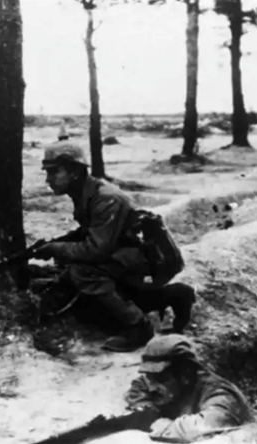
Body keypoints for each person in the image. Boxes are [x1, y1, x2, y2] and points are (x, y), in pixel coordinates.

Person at [31, 141, 194, 352]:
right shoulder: (85, 193)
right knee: (88, 292)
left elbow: (96, 249)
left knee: (83, 272)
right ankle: (174, 295)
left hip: (150, 259)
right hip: (127, 256)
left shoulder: (106, 198)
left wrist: (56, 249)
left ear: (74, 172)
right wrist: (56, 243)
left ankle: (138, 328)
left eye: (54, 172)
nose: (49, 179)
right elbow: (89, 232)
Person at [124, 334, 255, 442]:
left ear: (185, 374)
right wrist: (148, 413)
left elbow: (209, 425)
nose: (152, 387)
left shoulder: (219, 393)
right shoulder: (152, 383)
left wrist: (161, 425)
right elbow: (137, 393)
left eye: (160, 379)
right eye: (149, 377)